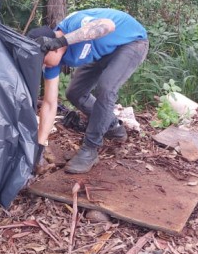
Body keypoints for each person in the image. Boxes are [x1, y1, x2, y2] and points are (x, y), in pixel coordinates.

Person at [29, 9, 148, 174]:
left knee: (106, 89)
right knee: (74, 92)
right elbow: (49, 104)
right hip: (103, 52)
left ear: (52, 48)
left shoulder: (75, 25)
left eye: (43, 60)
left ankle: (90, 149)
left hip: (131, 43)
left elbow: (107, 25)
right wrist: (39, 147)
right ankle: (112, 125)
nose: (44, 65)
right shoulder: (52, 63)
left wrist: (63, 41)